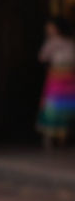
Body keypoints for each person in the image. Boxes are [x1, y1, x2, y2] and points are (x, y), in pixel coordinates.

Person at [36, 16, 75, 148]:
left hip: (68, 77)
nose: (49, 30)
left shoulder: (67, 42)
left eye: (51, 27)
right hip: (58, 76)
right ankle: (49, 138)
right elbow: (42, 57)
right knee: (53, 106)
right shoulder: (53, 42)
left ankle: (63, 137)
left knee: (66, 106)